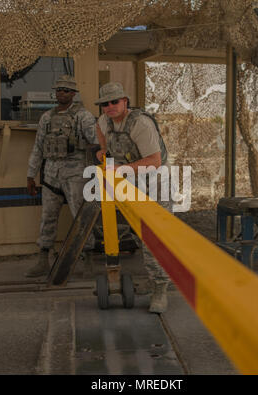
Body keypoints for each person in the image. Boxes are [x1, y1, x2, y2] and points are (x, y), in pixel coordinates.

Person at [95, 82, 170, 314]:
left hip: (155, 184)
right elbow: (103, 142)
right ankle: (153, 279)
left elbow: (155, 161)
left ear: (125, 101)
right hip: (131, 182)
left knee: (155, 239)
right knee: (140, 234)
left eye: (114, 102)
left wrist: (120, 170)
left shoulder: (140, 124)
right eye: (105, 104)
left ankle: (160, 288)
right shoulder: (103, 121)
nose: (109, 107)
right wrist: (103, 153)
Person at [26, 75, 97, 277]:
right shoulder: (46, 117)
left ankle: (88, 260)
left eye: (66, 90)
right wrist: (31, 175)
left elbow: (96, 144)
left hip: (76, 174)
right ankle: (43, 260)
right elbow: (38, 148)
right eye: (59, 90)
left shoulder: (83, 116)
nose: (62, 93)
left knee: (81, 217)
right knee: (47, 217)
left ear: (73, 94)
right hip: (50, 175)